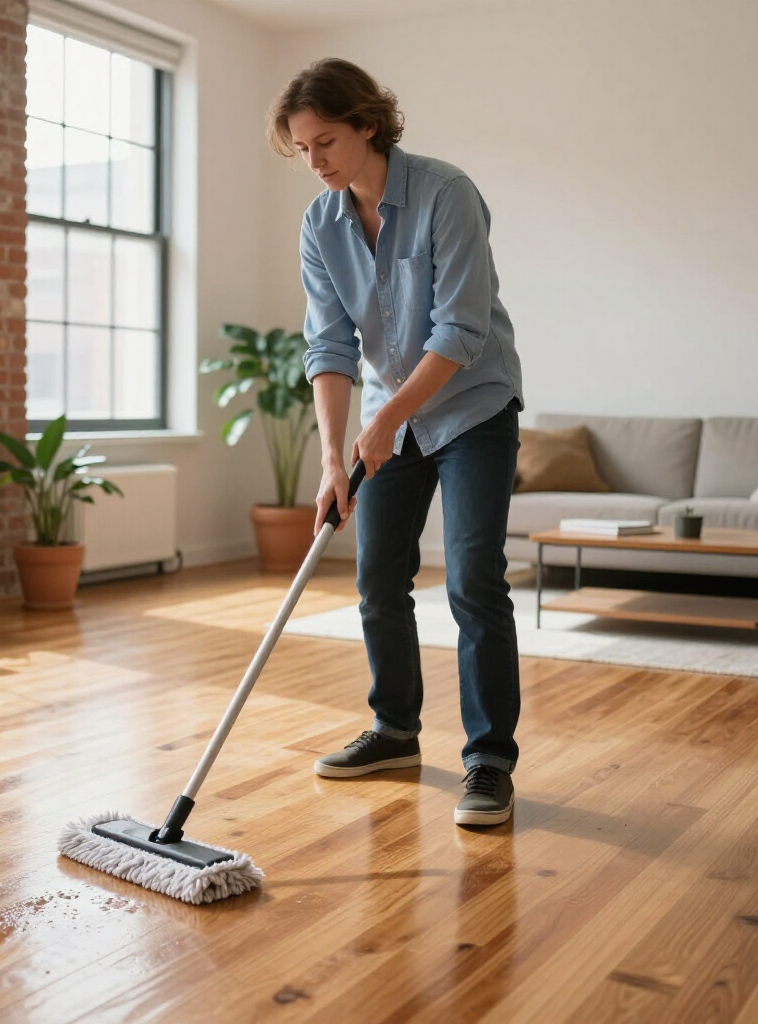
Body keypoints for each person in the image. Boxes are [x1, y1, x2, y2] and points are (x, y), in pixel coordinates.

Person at [267, 59, 524, 826]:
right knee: (378, 575)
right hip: (390, 417)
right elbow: (330, 348)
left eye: (325, 142)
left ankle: (488, 761)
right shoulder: (321, 224)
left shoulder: (446, 194)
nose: (314, 162)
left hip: (473, 408)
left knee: (473, 579)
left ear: (368, 124)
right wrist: (333, 459)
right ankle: (396, 731)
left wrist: (382, 424)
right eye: (303, 149)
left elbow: (462, 331)